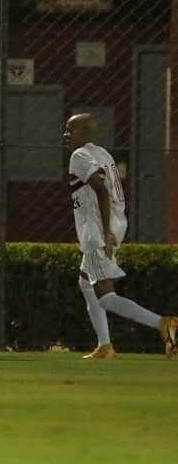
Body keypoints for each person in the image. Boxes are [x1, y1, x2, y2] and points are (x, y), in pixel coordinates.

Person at [65, 113, 177, 358]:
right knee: (86, 282)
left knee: (105, 296)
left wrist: (104, 232)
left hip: (97, 229)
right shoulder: (104, 153)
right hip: (116, 221)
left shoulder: (79, 155)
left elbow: (101, 192)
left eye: (70, 130)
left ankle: (162, 323)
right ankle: (104, 345)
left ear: (84, 134)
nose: (65, 135)